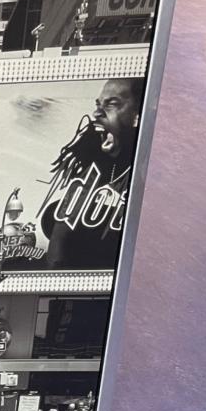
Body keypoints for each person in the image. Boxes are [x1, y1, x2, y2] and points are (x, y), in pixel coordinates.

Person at [41, 79, 144, 270]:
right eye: (98, 105)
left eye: (111, 104)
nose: (97, 113)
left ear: (137, 117)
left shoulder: (148, 173)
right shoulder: (92, 168)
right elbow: (59, 242)